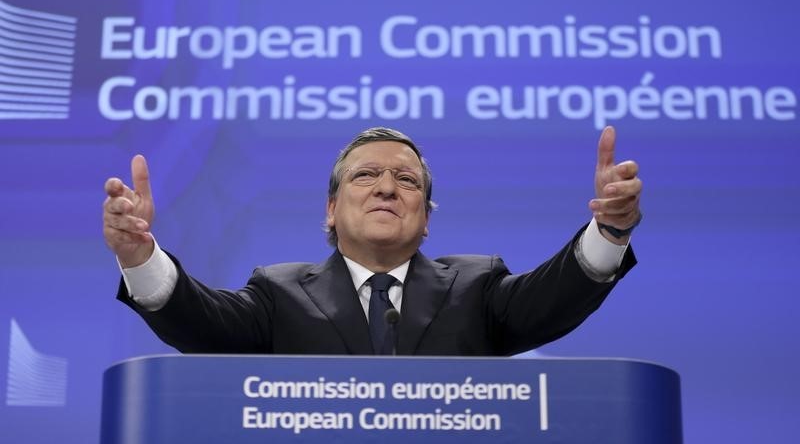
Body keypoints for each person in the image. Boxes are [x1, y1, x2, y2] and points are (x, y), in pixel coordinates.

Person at [103, 126, 641, 356]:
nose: (387, 186)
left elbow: (559, 292)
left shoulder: (479, 287)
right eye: (366, 176)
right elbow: (201, 320)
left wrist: (610, 230)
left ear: (426, 218)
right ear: (331, 210)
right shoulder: (277, 293)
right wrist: (140, 256)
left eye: (407, 181)